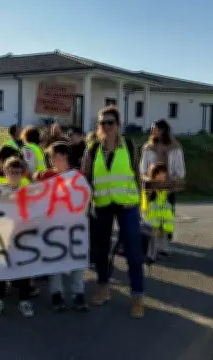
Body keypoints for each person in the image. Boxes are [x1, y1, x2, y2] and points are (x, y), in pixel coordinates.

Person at [80, 105, 145, 318]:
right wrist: (83, 204)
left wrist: (141, 205)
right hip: (102, 204)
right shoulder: (92, 149)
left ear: (118, 125)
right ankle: (103, 288)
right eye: (102, 123)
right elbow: (85, 178)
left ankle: (137, 297)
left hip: (128, 205)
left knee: (134, 252)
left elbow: (137, 175)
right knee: (101, 250)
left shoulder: (129, 145)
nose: (106, 126)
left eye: (110, 122)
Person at [35, 142, 87, 312]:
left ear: (63, 156)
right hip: (53, 224)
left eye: (52, 156)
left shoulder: (76, 175)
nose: (50, 160)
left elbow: (84, 197)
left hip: (73, 224)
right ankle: (57, 294)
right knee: (55, 258)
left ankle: (78, 294)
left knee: (77, 257)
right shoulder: (46, 175)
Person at [0, 156, 35, 317]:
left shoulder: (28, 192)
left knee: (23, 268)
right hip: (2, 235)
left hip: (22, 236)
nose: (14, 175)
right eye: (11, 172)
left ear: (22, 174)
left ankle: (24, 300)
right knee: (1, 267)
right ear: (5, 172)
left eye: (17, 172)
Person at [140, 119, 186, 257]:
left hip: (168, 189)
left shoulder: (175, 147)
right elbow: (142, 169)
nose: (152, 130)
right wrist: (149, 179)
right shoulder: (148, 147)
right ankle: (151, 247)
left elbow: (180, 170)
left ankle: (164, 246)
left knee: (166, 218)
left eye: (155, 128)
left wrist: (173, 180)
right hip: (152, 189)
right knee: (151, 218)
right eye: (152, 128)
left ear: (163, 130)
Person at [142, 162, 175, 254]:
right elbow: (147, 200)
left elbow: (169, 199)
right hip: (153, 216)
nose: (163, 175)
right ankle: (152, 251)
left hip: (163, 216)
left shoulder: (166, 186)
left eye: (164, 173)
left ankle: (163, 249)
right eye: (161, 173)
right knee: (153, 235)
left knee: (163, 234)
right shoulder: (150, 186)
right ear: (154, 174)